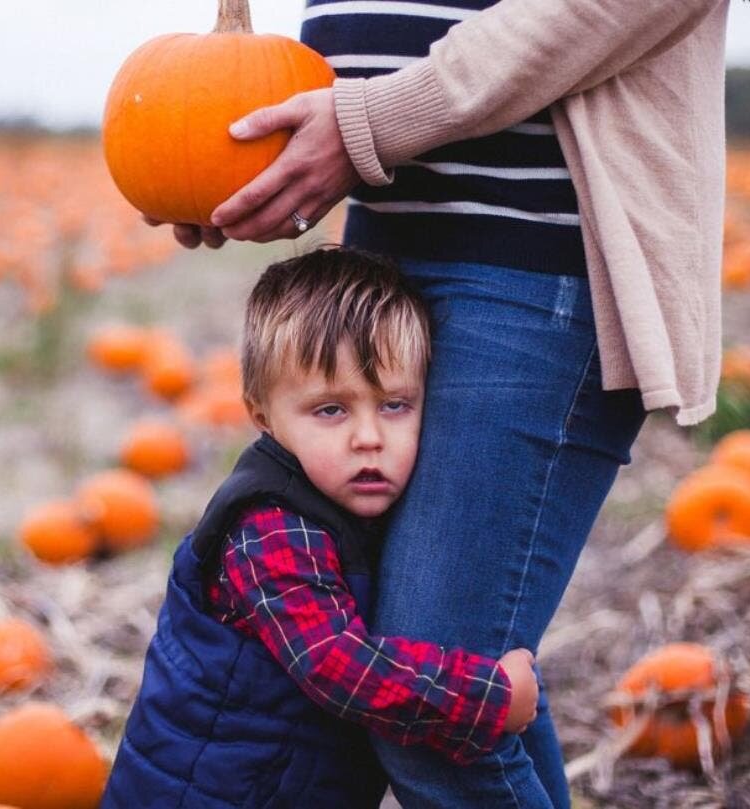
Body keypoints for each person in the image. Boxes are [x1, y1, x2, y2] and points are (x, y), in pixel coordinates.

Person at [155, 1, 732, 805]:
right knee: (468, 682)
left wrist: (374, 121)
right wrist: (209, 154)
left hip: (536, 253)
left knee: (435, 724)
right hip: (383, 236)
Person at [101, 247, 541, 808]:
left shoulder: (348, 499)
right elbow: (334, 663)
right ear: (262, 415)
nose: (368, 437)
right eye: (332, 410)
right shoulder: (272, 529)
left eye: (395, 405)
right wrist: (485, 700)